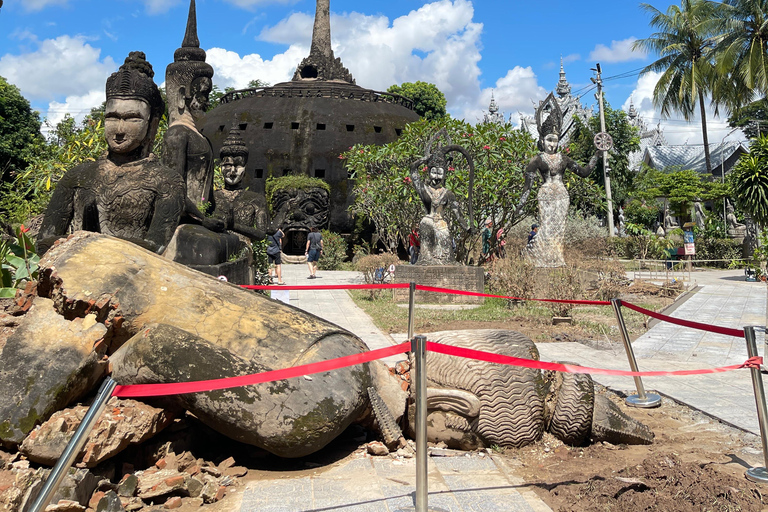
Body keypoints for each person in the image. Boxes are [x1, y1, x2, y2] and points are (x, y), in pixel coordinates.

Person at [37, 52, 185, 255]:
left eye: (132, 118)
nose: (119, 129)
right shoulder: (77, 176)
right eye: (113, 117)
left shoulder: (166, 182)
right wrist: (84, 241)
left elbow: (155, 247)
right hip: (71, 275)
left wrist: (94, 242)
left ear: (152, 125)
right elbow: (42, 243)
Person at [517, 93, 600, 268]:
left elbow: (584, 172)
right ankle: (540, 257)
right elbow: (528, 186)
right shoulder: (537, 160)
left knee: (559, 231)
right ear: (542, 140)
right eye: (549, 140)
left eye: (555, 141)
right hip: (546, 194)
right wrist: (520, 204)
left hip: (562, 196)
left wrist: (596, 156)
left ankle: (556, 259)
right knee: (546, 227)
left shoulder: (564, 159)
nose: (552, 144)